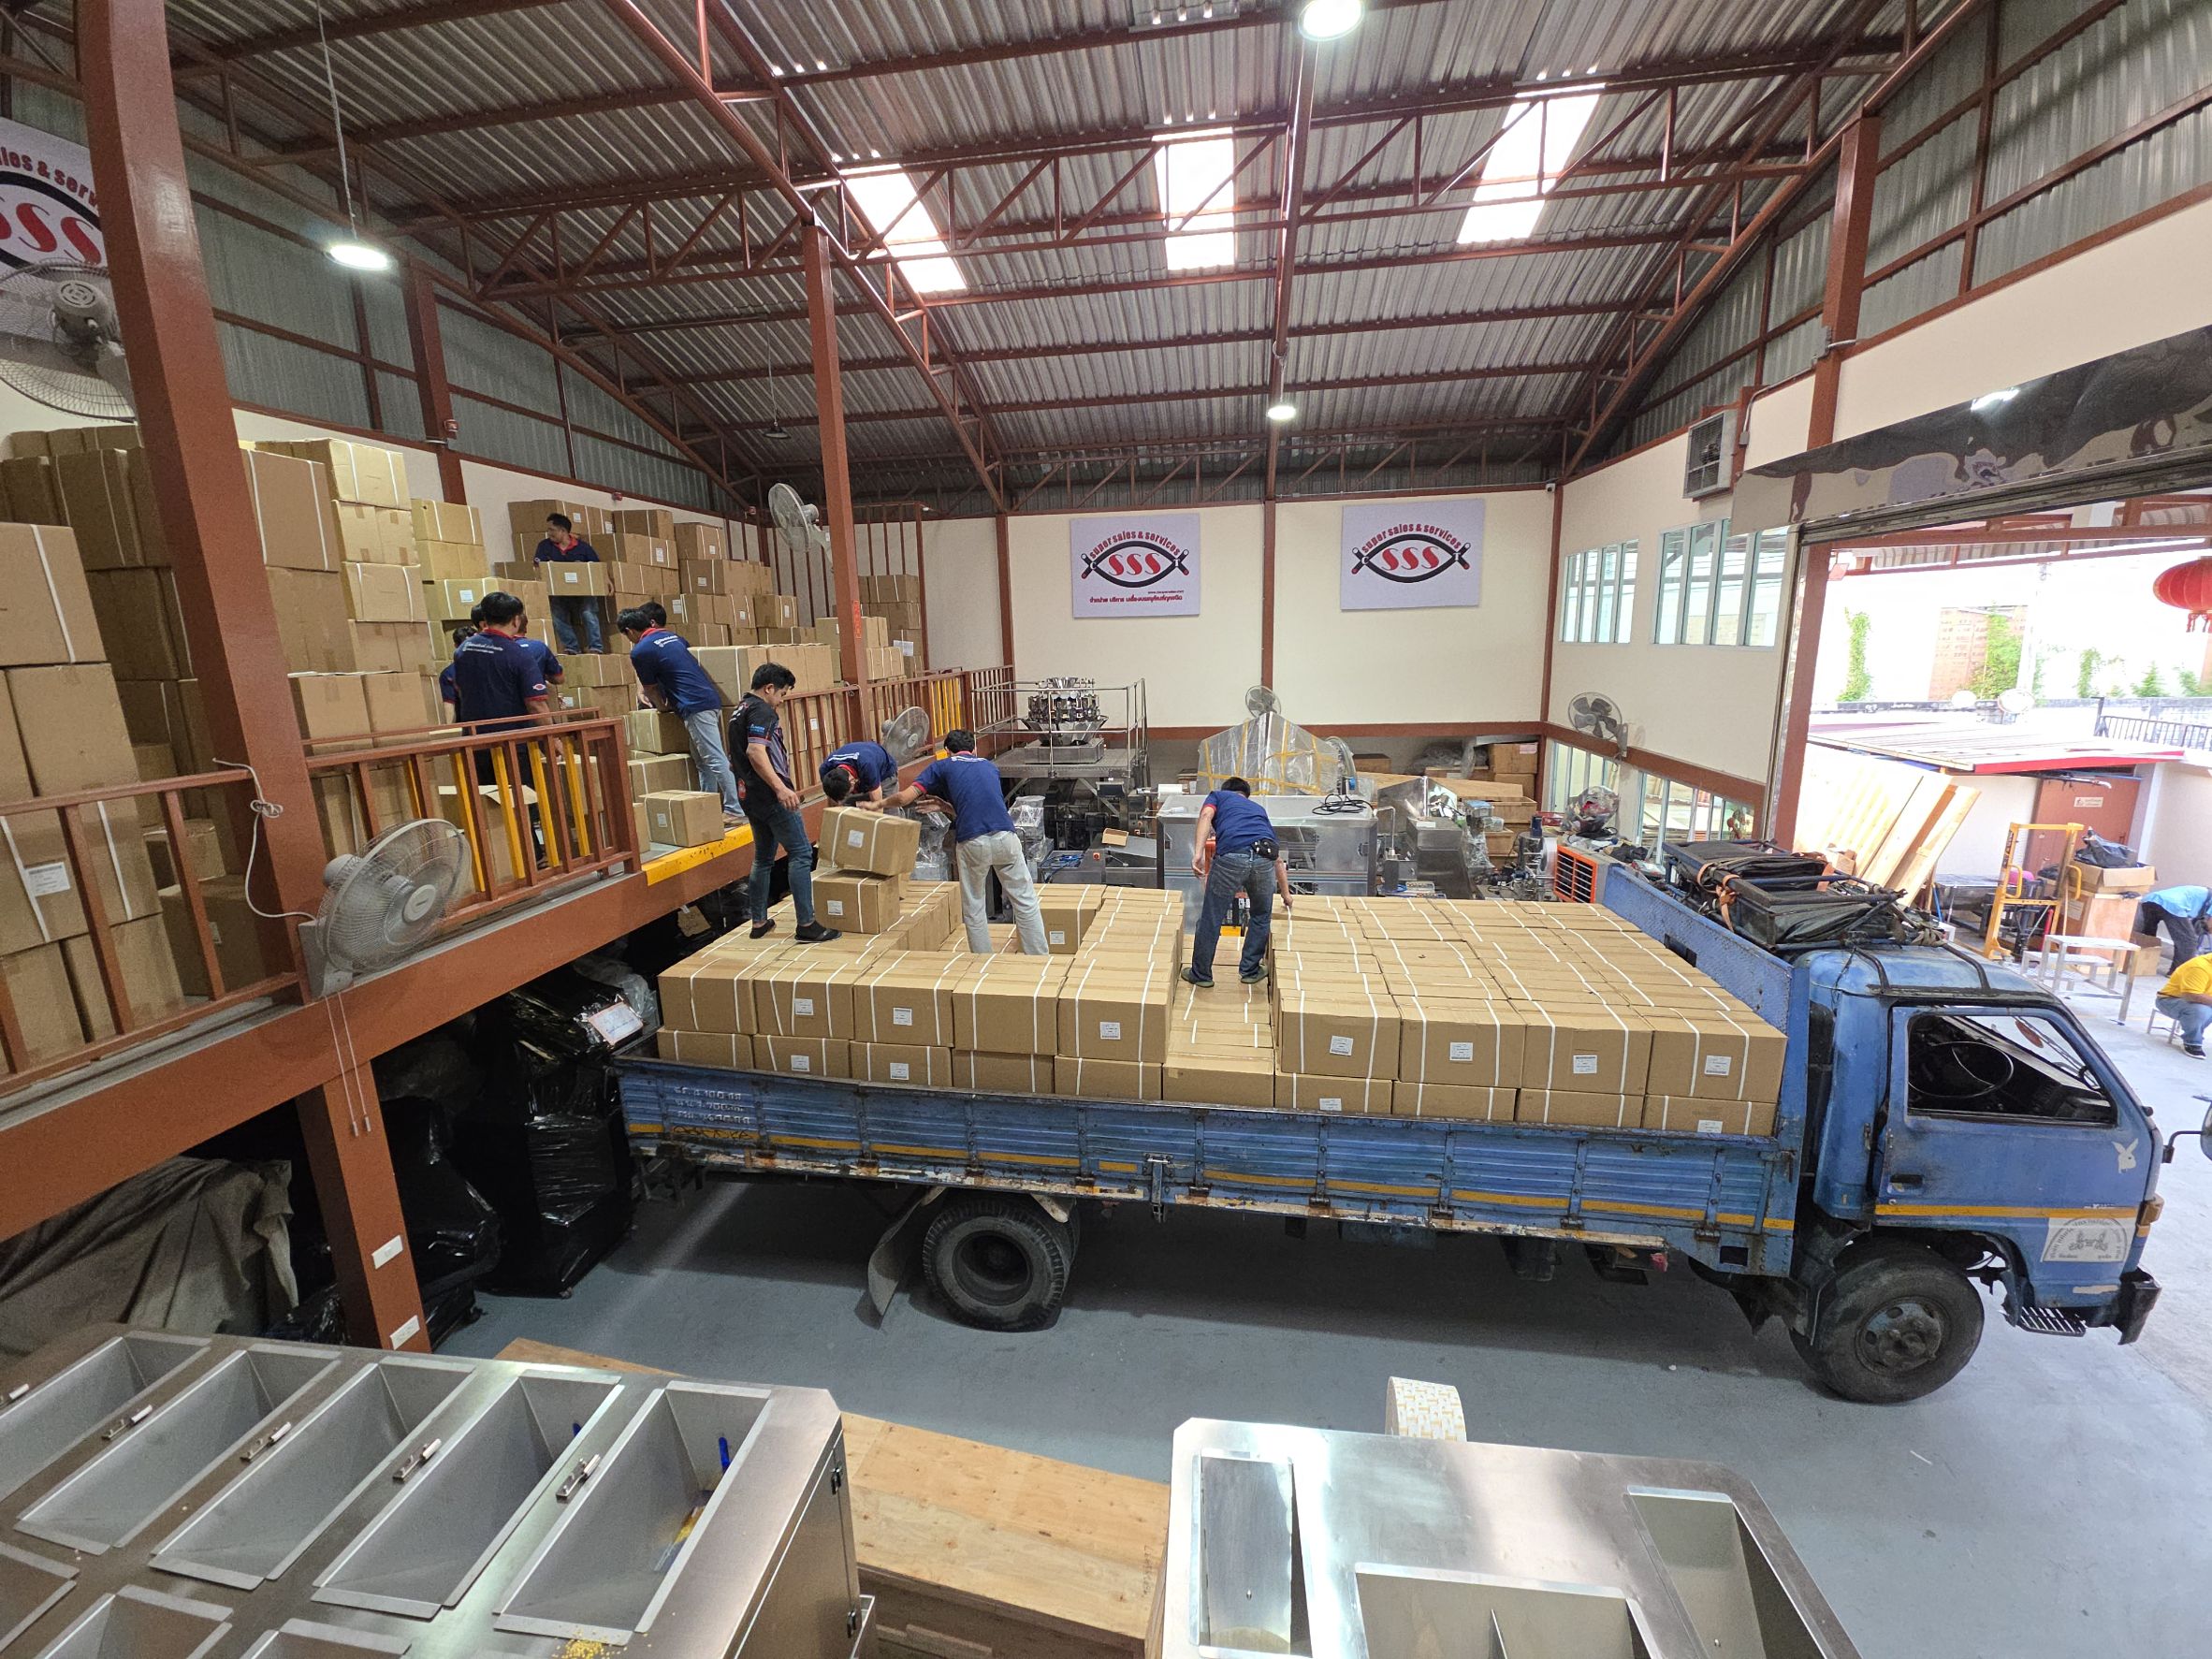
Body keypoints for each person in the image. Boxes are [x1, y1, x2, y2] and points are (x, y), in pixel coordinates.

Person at [880, 731, 1046, 954]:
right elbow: (980, 806)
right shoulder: (990, 767)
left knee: (975, 906)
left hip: (973, 842)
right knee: (1025, 901)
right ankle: (1039, 957)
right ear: (974, 749)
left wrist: (875, 804)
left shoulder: (941, 766)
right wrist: (947, 807)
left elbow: (904, 798)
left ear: (947, 751)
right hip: (1006, 838)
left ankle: (982, 963)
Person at [734, 662, 837, 942]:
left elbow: (738, 758)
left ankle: (759, 922)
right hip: (770, 796)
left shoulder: (739, 710)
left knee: (763, 858)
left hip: (749, 797)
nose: (781, 701)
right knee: (801, 853)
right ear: (769, 689)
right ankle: (807, 924)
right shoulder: (762, 711)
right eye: (782, 694)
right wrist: (780, 788)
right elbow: (755, 752)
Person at [618, 605, 740, 820]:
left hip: (694, 706)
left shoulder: (640, 651)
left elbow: (650, 688)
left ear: (629, 631)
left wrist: (662, 707)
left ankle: (735, 809)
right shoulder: (673, 637)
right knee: (702, 760)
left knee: (714, 758)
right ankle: (707, 805)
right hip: (708, 700)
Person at [1184, 776, 1290, 988]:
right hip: (1264, 859)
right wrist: (1286, 894)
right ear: (1246, 795)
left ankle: (1201, 974)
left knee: (1212, 916)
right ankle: (1250, 971)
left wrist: (1198, 853)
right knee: (1260, 915)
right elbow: (1278, 859)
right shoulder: (1258, 810)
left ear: (1226, 790)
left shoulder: (1218, 796)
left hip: (1232, 855)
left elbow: (1206, 815)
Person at [448, 590, 550, 729]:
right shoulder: (518, 654)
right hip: (511, 737)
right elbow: (536, 704)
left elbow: (459, 687)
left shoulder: (463, 649)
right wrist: (554, 736)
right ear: (515, 620)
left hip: (475, 735)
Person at [532, 512, 604, 653]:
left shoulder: (583, 548)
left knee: (588, 613)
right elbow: (538, 567)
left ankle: (596, 646)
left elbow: (597, 568)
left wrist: (606, 581)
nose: (549, 533)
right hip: (559, 591)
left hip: (584, 591)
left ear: (563, 531)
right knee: (557, 614)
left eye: (552, 530)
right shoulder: (544, 546)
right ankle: (572, 647)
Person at [2136, 883, 2212, 968]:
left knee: (2147, 935)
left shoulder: (2203, 893)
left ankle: (2142, 964)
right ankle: (2177, 971)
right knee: (2188, 942)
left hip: (2151, 899)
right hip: (2173, 904)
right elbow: (2210, 924)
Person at [2157, 949, 2212, 1058]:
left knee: (2204, 1009)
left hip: (2203, 1001)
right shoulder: (2200, 967)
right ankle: (2192, 1042)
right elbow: (2191, 995)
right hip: (2170, 1000)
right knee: (2201, 1011)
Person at [820, 738, 898, 806]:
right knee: (847, 811)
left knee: (888, 812)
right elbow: (832, 798)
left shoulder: (867, 764)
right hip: (858, 773)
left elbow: (878, 804)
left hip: (883, 775)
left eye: (846, 794)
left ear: (852, 781)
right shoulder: (826, 770)